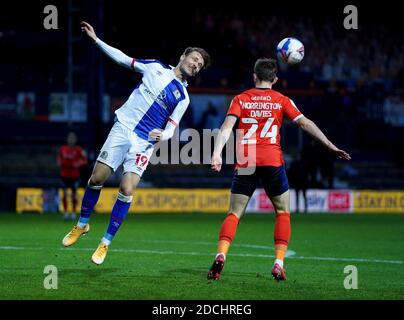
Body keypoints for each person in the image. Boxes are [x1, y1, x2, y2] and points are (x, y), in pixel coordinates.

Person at [62, 21, 211, 265]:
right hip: (123, 128)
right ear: (183, 55)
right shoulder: (154, 67)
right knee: (96, 178)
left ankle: (105, 243)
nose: (196, 65)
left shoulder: (183, 97)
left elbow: (172, 130)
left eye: (200, 66)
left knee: (127, 189)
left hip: (143, 142)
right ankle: (82, 225)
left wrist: (161, 136)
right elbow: (124, 59)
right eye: (194, 59)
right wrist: (97, 40)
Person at [207, 58, 351, 281]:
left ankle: (221, 255)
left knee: (234, 213)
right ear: (275, 79)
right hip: (272, 161)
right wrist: (330, 145)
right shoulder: (282, 100)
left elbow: (226, 127)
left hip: (246, 161)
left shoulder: (240, 99)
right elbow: (305, 123)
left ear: (254, 76)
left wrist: (216, 153)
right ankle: (278, 263)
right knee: (283, 212)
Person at [57, 132, 88, 221]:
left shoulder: (78, 149)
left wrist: (79, 164)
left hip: (74, 175)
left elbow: (85, 160)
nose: (71, 140)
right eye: (70, 138)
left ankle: (74, 212)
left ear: (75, 140)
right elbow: (59, 159)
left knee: (74, 195)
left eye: (73, 138)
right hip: (64, 174)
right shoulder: (63, 149)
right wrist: (60, 163)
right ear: (67, 139)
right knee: (65, 194)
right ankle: (66, 212)